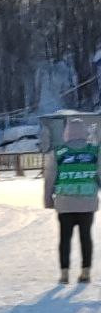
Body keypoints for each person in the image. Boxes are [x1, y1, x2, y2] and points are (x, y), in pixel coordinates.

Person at [43, 116, 101, 283]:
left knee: (64, 238)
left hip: (64, 204)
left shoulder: (59, 152)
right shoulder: (94, 152)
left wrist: (48, 199)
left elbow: (50, 178)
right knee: (86, 237)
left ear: (67, 134)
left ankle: (64, 274)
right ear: (84, 133)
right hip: (87, 204)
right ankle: (86, 272)